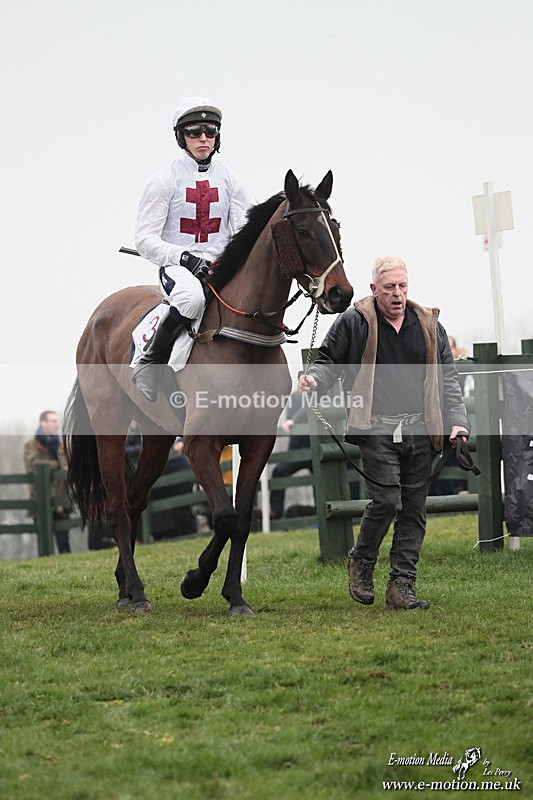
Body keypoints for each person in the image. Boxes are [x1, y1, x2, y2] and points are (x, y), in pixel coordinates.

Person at [298, 256, 470, 610]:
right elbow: (330, 359)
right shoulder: (355, 321)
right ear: (374, 289)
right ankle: (361, 560)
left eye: (402, 286)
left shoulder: (428, 324)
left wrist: (458, 421)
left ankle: (401, 587)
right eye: (389, 287)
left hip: (423, 429)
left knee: (413, 511)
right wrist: (314, 378)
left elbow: (448, 379)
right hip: (375, 427)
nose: (397, 294)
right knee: (388, 501)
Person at [132, 95, 250, 401]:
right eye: (194, 131)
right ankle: (150, 362)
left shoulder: (231, 180)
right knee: (192, 299)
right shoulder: (162, 180)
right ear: (180, 136)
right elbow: (145, 239)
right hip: (178, 268)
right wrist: (183, 257)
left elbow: (244, 231)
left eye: (210, 131)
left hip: (220, 265)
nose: (203, 139)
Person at [23, 410, 72, 554]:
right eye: (53, 421)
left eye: (57, 421)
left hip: (61, 501)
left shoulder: (61, 445)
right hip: (41, 501)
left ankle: (67, 570)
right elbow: (33, 464)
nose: (57, 424)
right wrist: (57, 466)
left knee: (64, 545)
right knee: (44, 546)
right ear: (42, 423)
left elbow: (69, 464)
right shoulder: (31, 446)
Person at [269, 392, 313, 519]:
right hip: (296, 449)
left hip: (315, 448)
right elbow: (290, 418)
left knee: (320, 478)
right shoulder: (295, 397)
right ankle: (276, 513)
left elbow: (310, 408)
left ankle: (321, 510)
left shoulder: (320, 393)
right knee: (279, 472)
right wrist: (294, 420)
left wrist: (295, 420)